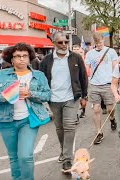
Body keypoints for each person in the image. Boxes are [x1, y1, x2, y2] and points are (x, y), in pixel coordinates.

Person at [0, 43, 51, 180]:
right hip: (6, 121)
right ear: (11, 59)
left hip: (28, 120)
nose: (21, 59)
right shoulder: (0, 75)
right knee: (14, 157)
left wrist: (31, 93)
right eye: (17, 56)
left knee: (25, 156)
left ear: (29, 57)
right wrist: (8, 95)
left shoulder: (39, 75)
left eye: (24, 55)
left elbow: (48, 95)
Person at [40, 32, 88, 173]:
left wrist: (84, 96)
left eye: (66, 42)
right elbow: (41, 79)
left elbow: (83, 77)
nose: (64, 45)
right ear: (54, 43)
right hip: (53, 99)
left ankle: (67, 158)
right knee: (59, 128)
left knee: (70, 126)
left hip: (71, 98)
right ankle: (64, 150)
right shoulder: (46, 60)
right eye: (60, 42)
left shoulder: (76, 58)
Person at [85, 32, 118, 144]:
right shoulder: (90, 54)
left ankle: (112, 119)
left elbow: (115, 66)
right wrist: (86, 79)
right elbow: (87, 68)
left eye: (100, 42)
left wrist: (116, 82)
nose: (99, 44)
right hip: (94, 84)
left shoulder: (111, 51)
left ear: (103, 40)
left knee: (110, 109)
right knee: (96, 109)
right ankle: (99, 133)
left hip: (108, 84)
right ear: (94, 42)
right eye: (97, 43)